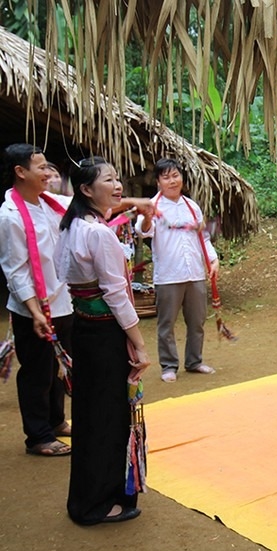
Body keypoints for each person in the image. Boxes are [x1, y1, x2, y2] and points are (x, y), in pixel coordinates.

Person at [54, 157, 152, 525]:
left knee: (91, 414)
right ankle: (96, 503)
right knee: (108, 417)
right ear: (85, 189)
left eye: (117, 179)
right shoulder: (98, 234)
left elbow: (65, 274)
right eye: (108, 180)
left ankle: (89, 495)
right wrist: (139, 344)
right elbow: (116, 294)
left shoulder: (73, 225)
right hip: (105, 334)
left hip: (85, 328)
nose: (117, 186)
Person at [0, 144, 73, 456]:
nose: (48, 173)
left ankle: (57, 421)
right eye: (41, 168)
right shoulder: (11, 215)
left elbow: (84, 204)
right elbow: (15, 271)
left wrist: (135, 203)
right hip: (34, 308)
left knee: (60, 366)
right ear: (20, 172)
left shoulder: (50, 203)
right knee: (36, 372)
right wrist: (35, 312)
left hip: (62, 301)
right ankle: (39, 436)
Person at [136, 159, 219, 383]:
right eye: (166, 177)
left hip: (194, 273)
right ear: (158, 182)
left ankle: (194, 361)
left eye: (175, 176)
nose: (172, 181)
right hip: (169, 275)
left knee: (197, 321)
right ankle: (169, 365)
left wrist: (212, 259)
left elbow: (203, 236)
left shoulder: (192, 206)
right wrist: (146, 217)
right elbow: (144, 232)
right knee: (166, 324)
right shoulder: (152, 206)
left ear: (182, 178)